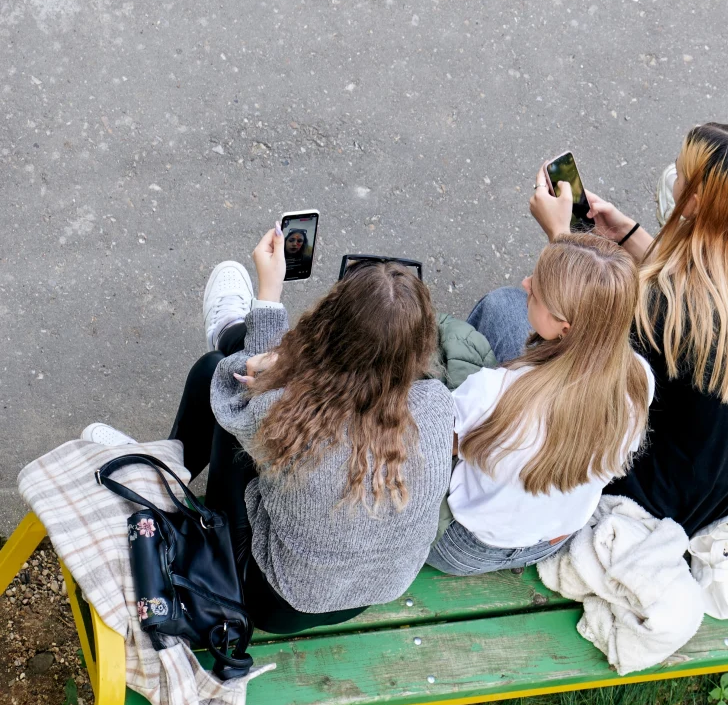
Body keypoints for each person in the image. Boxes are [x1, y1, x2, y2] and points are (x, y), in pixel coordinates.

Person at [87, 227, 454, 634]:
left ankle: (158, 470)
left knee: (217, 371)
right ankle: (225, 333)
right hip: (369, 594)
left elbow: (232, 387)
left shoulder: (292, 410)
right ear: (420, 345)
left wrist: (268, 297)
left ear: (329, 330)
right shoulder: (437, 404)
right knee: (252, 397)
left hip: (271, 599)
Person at [527, 123, 728, 535]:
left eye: (679, 172)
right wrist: (627, 235)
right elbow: (706, 285)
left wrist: (561, 240)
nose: (673, 177)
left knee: (504, 309)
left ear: (694, 201)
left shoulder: (659, 305)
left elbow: (586, 349)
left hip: (665, 497)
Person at [426, 233, 654, 575]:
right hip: (553, 538)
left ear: (564, 328)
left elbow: (437, 444)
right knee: (506, 305)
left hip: (464, 545)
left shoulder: (496, 392)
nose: (526, 283)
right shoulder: (639, 379)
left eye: (538, 291)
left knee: (422, 390)